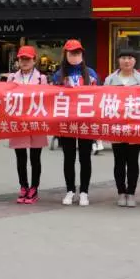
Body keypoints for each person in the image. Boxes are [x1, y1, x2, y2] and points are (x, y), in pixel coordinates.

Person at [52, 39, 98, 206]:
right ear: (65, 54)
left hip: (86, 121)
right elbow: (52, 98)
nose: (74, 55)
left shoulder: (91, 74)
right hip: (66, 122)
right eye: (71, 53)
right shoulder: (58, 75)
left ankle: (84, 191)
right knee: (68, 158)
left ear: (82, 54)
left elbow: (98, 97)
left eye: (77, 52)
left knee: (85, 158)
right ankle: (70, 190)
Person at [104, 50, 140, 207]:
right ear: (118, 60)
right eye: (123, 58)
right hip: (117, 127)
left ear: (134, 61)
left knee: (133, 161)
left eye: (130, 58)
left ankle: (131, 193)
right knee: (119, 161)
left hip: (135, 127)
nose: (126, 61)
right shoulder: (110, 79)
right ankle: (121, 192)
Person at [7, 46, 48, 205]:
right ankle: (23, 186)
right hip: (18, 122)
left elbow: (46, 98)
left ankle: (34, 187)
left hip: (36, 121)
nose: (24, 62)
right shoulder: (12, 78)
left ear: (34, 61)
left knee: (35, 158)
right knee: (20, 157)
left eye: (27, 59)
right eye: (22, 59)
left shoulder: (41, 79)